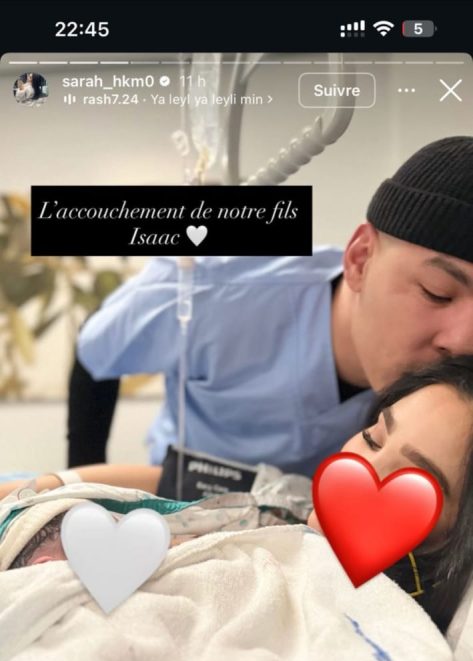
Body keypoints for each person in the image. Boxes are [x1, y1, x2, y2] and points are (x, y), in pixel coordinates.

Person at [69, 136, 473, 481]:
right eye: (437, 292)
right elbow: (97, 349)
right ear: (360, 259)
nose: (462, 343)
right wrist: (80, 492)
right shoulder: (220, 286)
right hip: (180, 503)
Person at [3, 356, 473, 635]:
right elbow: (170, 479)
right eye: (372, 437)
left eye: (414, 481)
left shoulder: (386, 629)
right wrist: (43, 486)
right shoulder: (288, 499)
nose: (363, 471)